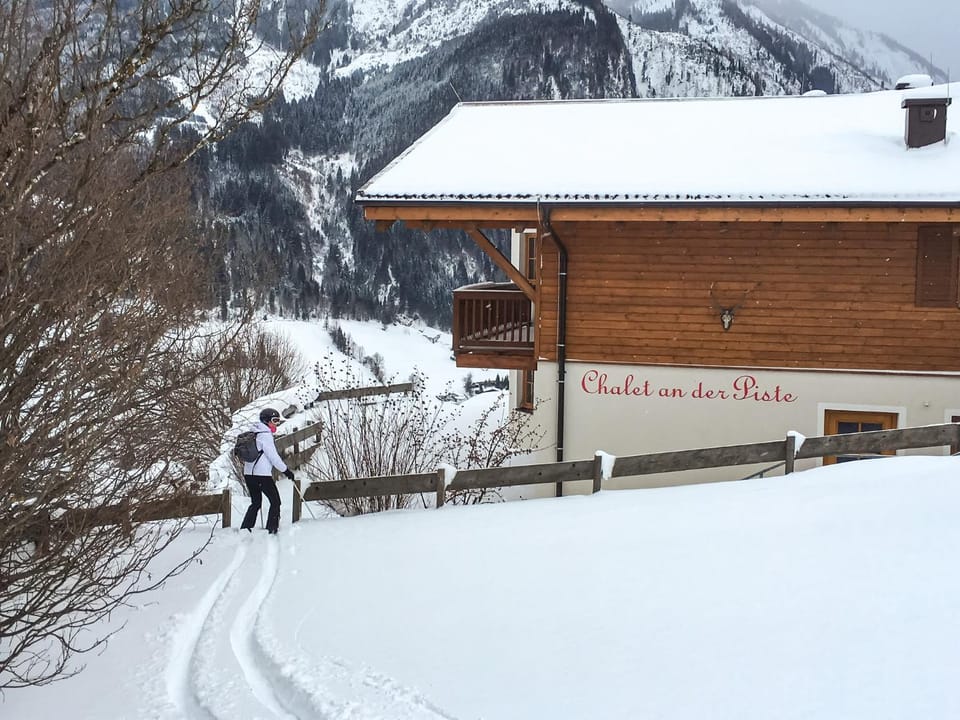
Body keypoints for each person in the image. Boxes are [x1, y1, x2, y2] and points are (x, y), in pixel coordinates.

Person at [240, 407, 295, 534]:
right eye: (274, 420)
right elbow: (273, 457)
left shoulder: (254, 433)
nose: (276, 424)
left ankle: (246, 528)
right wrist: (286, 471)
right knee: (275, 501)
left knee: (256, 502)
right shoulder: (265, 436)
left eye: (277, 421)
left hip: (249, 474)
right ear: (266, 421)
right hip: (262, 475)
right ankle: (272, 528)